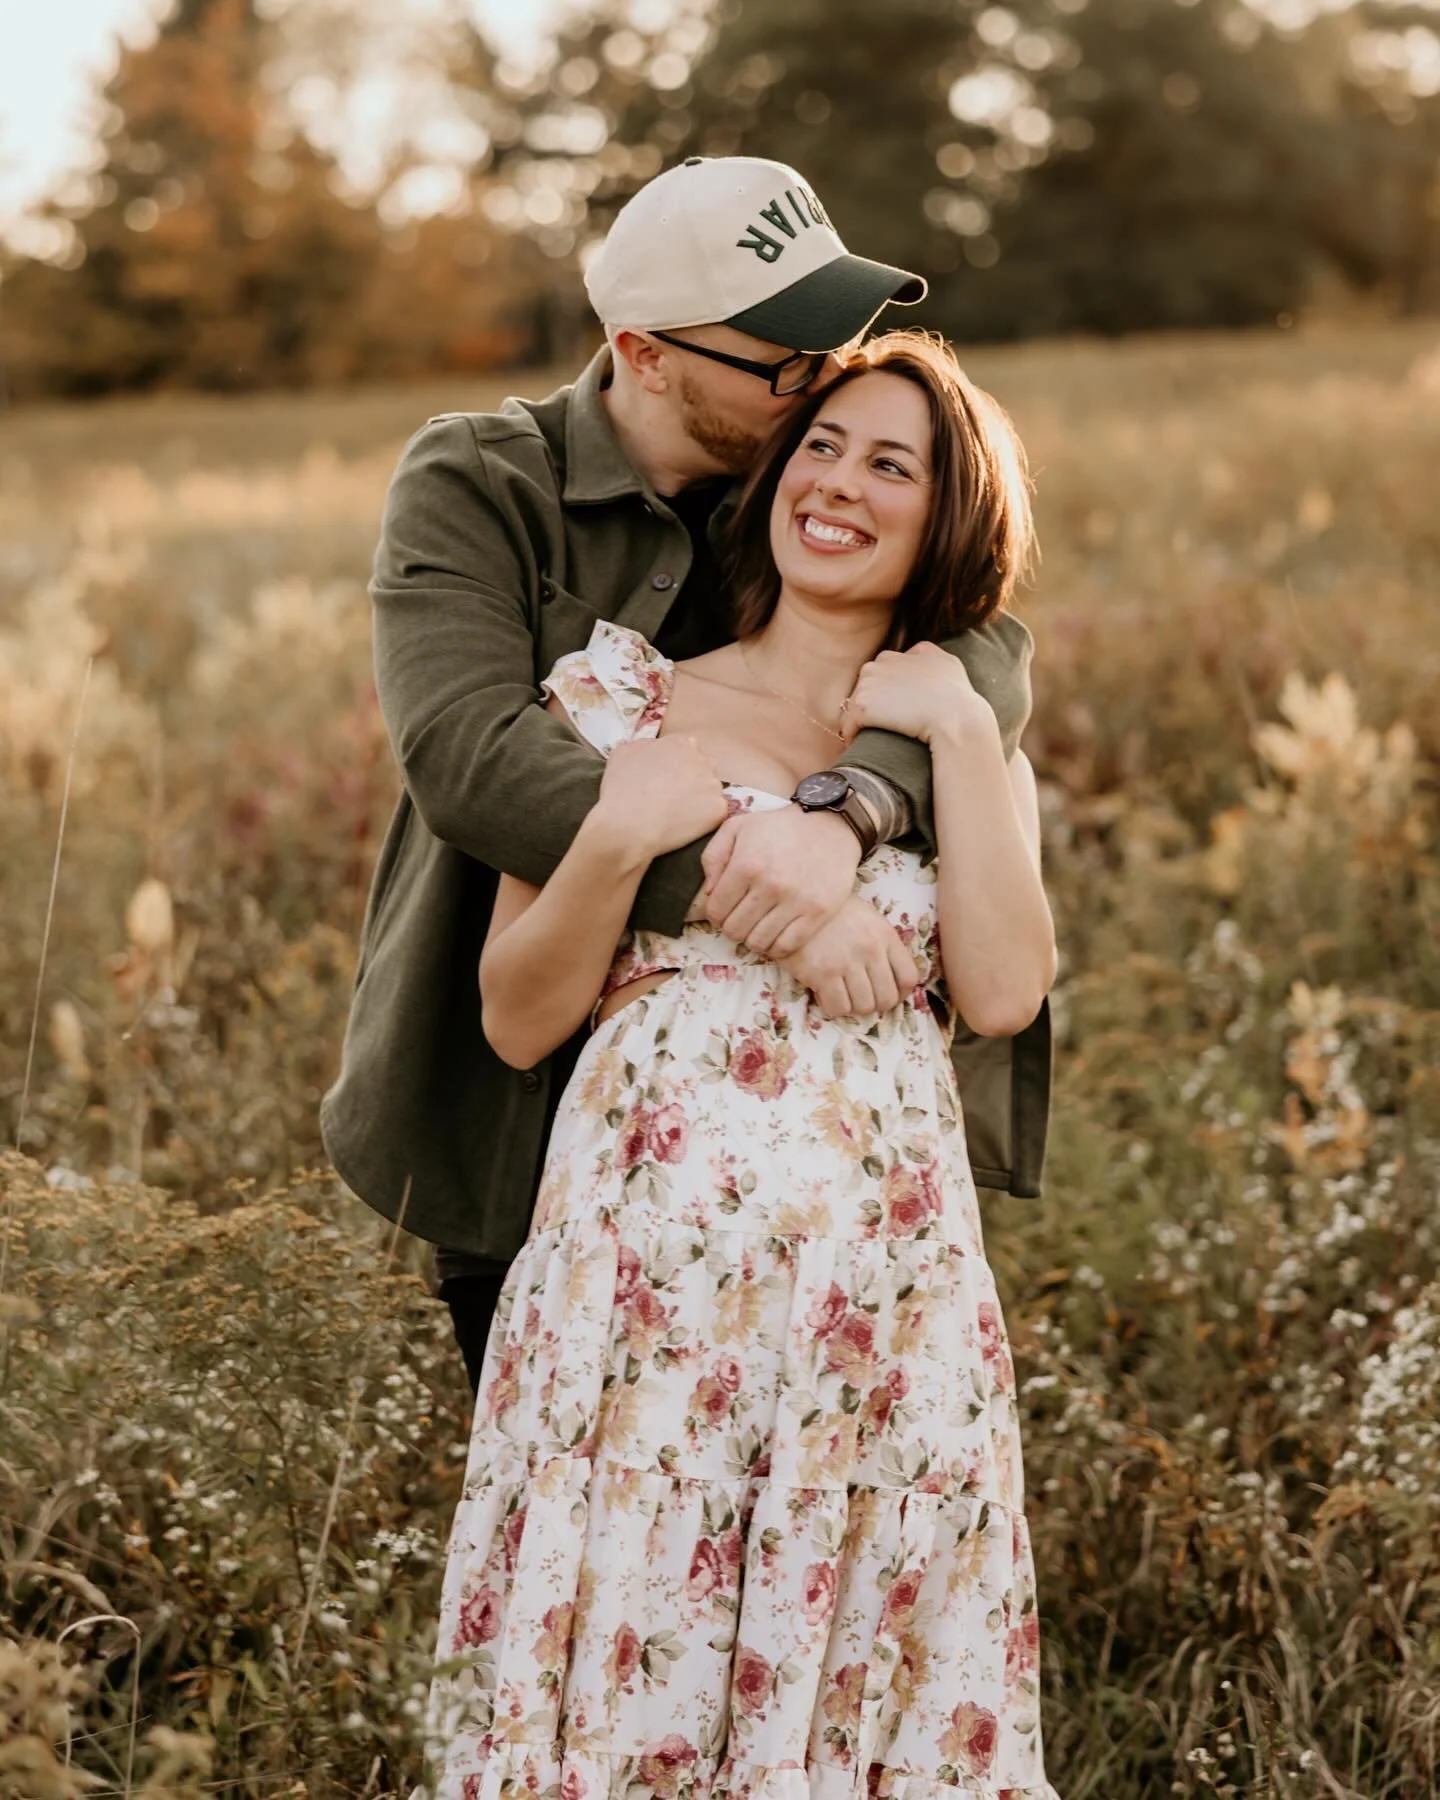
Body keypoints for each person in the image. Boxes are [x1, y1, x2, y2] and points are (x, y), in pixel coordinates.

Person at [425, 331, 1058, 1799]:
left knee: (866, 1687)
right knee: (634, 1674)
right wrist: (612, 830)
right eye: (822, 446)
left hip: (879, 1304)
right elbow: (518, 1017)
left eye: (890, 464)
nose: (838, 484)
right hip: (643, 1302)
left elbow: (1009, 994)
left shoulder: (962, 735)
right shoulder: (621, 700)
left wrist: (959, 736)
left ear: (947, 516)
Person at [320, 156, 1051, 1391]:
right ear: (644, 355)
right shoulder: (480, 483)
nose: (823, 383)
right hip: (532, 1114)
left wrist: (844, 816)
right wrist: (777, 904)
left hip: (824, 1185)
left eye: (833, 341)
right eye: (786, 362)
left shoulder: (787, 486)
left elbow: (984, 642)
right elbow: (475, 765)